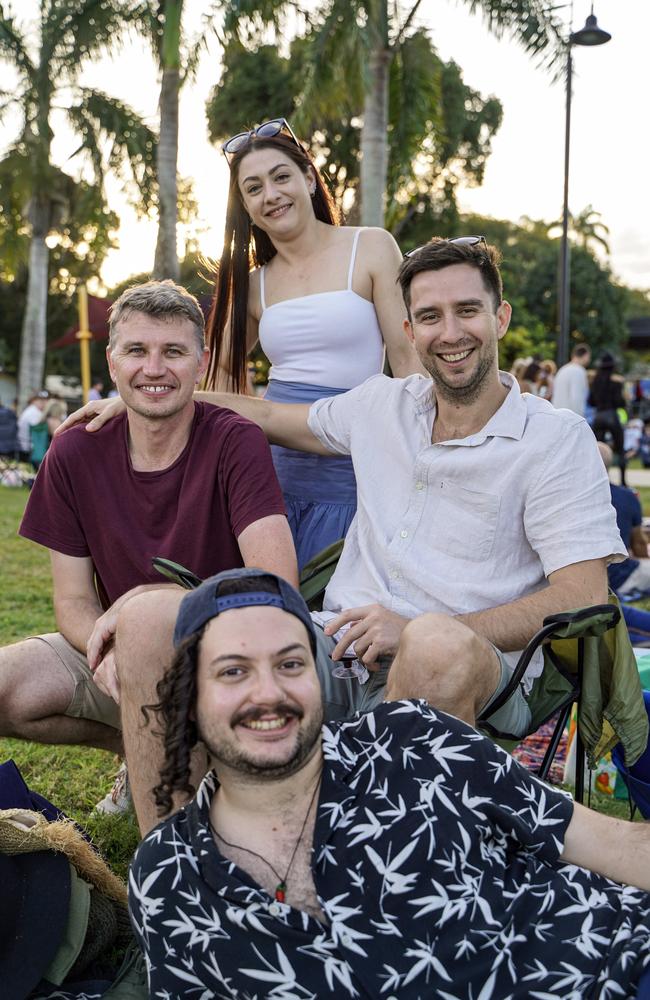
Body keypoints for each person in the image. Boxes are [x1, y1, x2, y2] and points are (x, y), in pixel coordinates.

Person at [59, 238, 625, 833]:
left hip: (471, 661)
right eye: (430, 316)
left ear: (500, 317)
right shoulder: (382, 404)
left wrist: (414, 631)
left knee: (432, 646)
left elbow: (581, 597)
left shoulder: (556, 439)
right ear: (408, 328)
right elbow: (274, 417)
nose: (450, 331)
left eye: (468, 310)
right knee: (154, 615)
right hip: (338, 650)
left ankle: (377, 871)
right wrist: (152, 393)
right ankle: (181, 869)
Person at [129, 568, 650, 1000]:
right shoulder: (170, 878)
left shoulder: (412, 738)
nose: (269, 693)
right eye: (233, 671)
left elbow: (613, 844)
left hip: (616, 962)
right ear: (189, 699)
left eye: (290, 664)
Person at [0, 280, 296, 815]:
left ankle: (179, 830)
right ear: (112, 362)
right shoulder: (73, 452)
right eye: (137, 350)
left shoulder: (234, 440)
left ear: (200, 363)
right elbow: (72, 603)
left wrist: (147, 619)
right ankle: (134, 752)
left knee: (151, 636)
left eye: (173, 352)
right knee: (6, 687)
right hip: (111, 650)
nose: (154, 369)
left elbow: (276, 586)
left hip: (221, 656)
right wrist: (114, 654)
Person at [205, 117, 424, 567]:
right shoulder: (254, 284)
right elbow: (220, 370)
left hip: (355, 455)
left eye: (281, 176)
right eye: (253, 188)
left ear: (308, 177)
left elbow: (408, 364)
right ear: (245, 205)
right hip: (275, 463)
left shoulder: (372, 247)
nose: (271, 195)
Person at [599, 442, 650, 597]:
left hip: (576, 580)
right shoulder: (626, 496)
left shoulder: (566, 499)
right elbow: (639, 545)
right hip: (618, 579)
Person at [589, 351, 628, 486]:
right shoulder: (616, 383)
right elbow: (620, 403)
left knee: (597, 451)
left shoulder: (595, 382)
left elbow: (591, 401)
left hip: (599, 416)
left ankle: (598, 481)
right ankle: (623, 481)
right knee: (620, 449)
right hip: (611, 415)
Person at [551, 342, 591, 415]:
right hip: (570, 419)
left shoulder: (562, 369)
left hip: (558, 415)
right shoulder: (579, 371)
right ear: (585, 355)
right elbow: (577, 398)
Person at [16, 390, 49, 461]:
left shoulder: (32, 410)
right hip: (28, 449)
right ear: (34, 401)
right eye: (41, 400)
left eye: (45, 400)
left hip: (27, 447)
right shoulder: (33, 412)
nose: (44, 403)